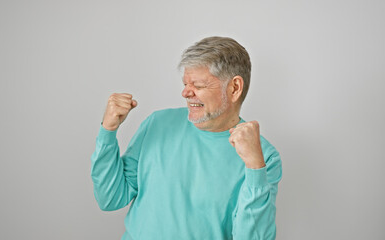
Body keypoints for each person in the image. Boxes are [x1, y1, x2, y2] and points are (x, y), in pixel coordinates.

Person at [91, 36, 282, 240]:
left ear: (234, 88)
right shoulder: (157, 124)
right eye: (185, 83)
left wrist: (255, 168)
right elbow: (110, 198)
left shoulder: (263, 158)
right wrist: (108, 131)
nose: (185, 92)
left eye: (198, 85)